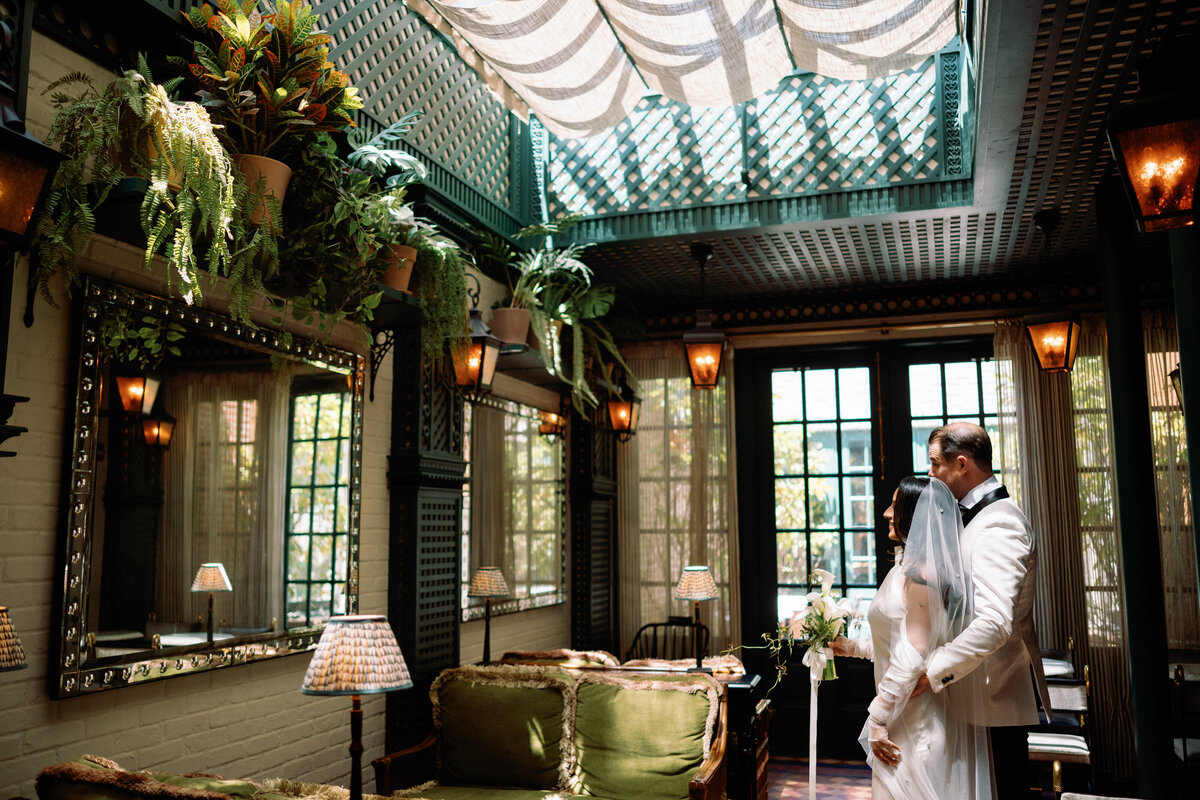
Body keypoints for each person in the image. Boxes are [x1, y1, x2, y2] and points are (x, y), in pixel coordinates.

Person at [829, 475, 991, 800]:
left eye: (894, 506)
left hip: (918, 720)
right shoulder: (903, 565)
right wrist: (852, 648)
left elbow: (915, 651)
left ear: (914, 516)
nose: (886, 514)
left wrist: (877, 719)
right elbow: (896, 643)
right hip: (900, 713)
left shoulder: (923, 575)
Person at [922, 421, 1051, 800]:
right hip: (973, 699)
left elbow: (995, 622)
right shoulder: (977, 518)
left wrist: (931, 671)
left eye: (934, 464)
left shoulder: (999, 522)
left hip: (994, 705)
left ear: (962, 464)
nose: (930, 475)